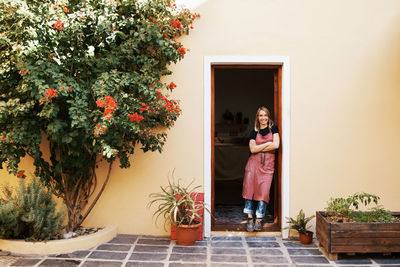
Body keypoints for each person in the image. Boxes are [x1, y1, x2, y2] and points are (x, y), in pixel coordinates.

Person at [242, 107, 280, 232]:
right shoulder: (253, 132)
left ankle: (259, 218)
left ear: (268, 117)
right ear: (257, 118)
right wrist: (267, 145)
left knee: (264, 192)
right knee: (250, 190)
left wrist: (259, 146)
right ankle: (249, 218)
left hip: (268, 165)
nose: (263, 118)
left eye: (265, 115)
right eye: (260, 115)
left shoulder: (274, 129)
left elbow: (276, 145)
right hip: (253, 165)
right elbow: (252, 150)